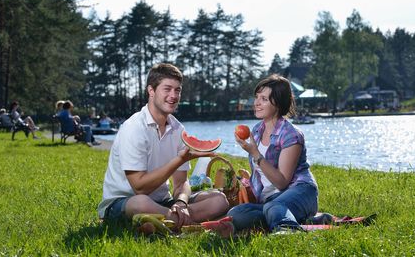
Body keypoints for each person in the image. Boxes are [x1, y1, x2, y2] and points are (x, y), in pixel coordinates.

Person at [97, 63, 229, 233]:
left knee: (219, 200)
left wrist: (181, 202)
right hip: (123, 203)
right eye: (167, 89)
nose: (173, 96)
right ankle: (186, 223)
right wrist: (180, 160)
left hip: (163, 202)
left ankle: (169, 220)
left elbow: (181, 183)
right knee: (141, 202)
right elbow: (139, 187)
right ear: (151, 91)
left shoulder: (178, 130)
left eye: (177, 90)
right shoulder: (134, 128)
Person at [208, 74, 318, 237]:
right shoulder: (257, 131)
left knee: (274, 207)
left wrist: (255, 154)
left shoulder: (291, 135)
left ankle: (287, 230)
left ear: (278, 103)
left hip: (301, 192)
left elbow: (281, 182)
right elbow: (260, 178)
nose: (257, 103)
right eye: (257, 97)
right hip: (270, 200)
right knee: (236, 213)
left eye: (264, 99)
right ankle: (312, 220)